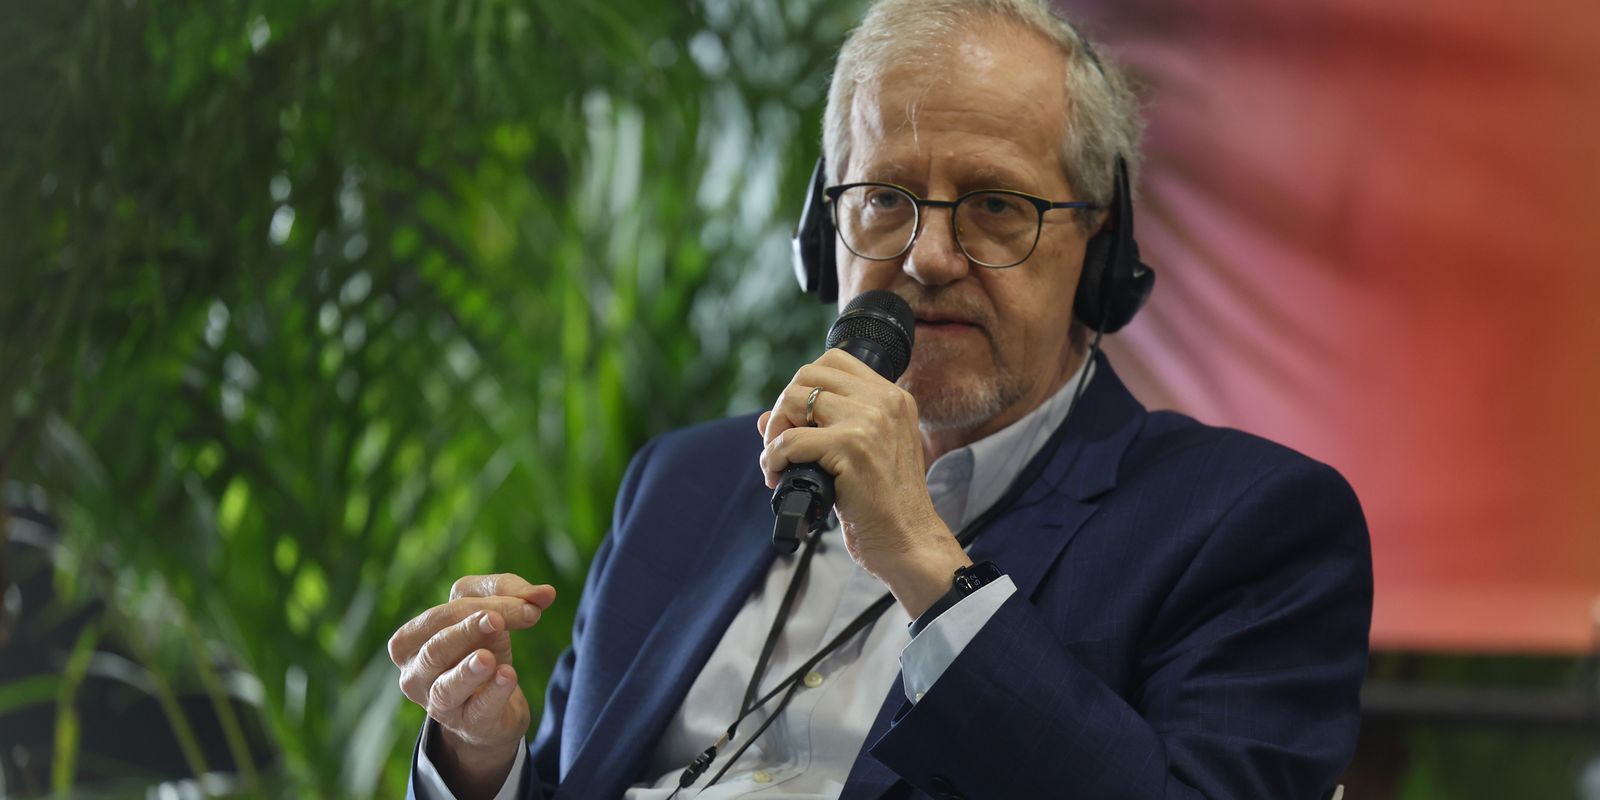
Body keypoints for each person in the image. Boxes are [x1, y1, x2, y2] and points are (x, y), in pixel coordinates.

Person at [387, 0, 1373, 798]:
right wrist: (479, 758)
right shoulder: (684, 480)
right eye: (885, 200)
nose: (928, 256)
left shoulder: (1246, 523)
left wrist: (929, 567)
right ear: (824, 237)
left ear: (1101, 253)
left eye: (996, 205)